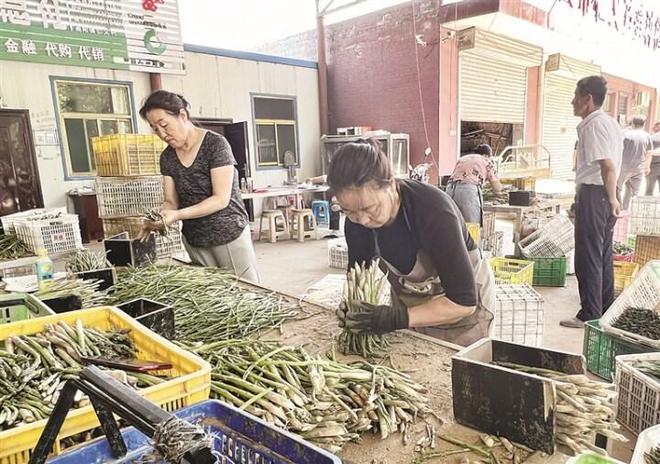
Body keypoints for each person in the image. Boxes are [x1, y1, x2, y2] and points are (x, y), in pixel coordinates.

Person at [330, 139, 496, 346]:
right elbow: (358, 278)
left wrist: (396, 318)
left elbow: (463, 303)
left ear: (391, 184)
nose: (362, 220)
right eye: (349, 211)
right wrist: (354, 308)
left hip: (461, 314)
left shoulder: (433, 212)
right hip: (411, 309)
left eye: (369, 209)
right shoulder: (356, 224)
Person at [138, 90, 260, 283]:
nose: (162, 134)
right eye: (155, 129)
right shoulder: (167, 157)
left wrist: (177, 215)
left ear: (182, 115)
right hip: (195, 239)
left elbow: (221, 199)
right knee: (214, 298)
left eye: (164, 125)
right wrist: (158, 217)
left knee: (247, 294)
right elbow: (171, 201)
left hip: (228, 234)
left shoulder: (215, 145)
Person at [561, 76, 623, 329]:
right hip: (605, 193)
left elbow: (607, 166)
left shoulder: (592, 125)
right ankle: (604, 309)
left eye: (576, 96)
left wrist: (611, 199)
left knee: (588, 257)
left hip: (596, 194)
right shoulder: (610, 122)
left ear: (587, 99)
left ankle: (589, 314)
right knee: (602, 255)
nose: (572, 101)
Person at [445, 144, 502, 224]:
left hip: (450, 189)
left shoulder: (463, 159)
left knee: (453, 224)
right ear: (486, 155)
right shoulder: (486, 161)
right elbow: (497, 187)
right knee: (471, 225)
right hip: (467, 192)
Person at [617, 116, 653, 209]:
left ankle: (619, 208)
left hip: (624, 167)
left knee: (617, 189)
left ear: (632, 123)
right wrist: (647, 166)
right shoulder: (647, 136)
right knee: (633, 192)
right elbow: (649, 152)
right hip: (639, 168)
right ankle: (628, 210)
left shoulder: (625, 134)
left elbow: (617, 148)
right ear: (644, 124)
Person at [646, 121, 660, 196]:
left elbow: (648, 153)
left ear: (658, 126)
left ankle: (647, 207)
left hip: (652, 167)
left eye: (654, 126)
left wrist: (646, 167)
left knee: (649, 189)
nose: (652, 128)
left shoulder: (652, 138)